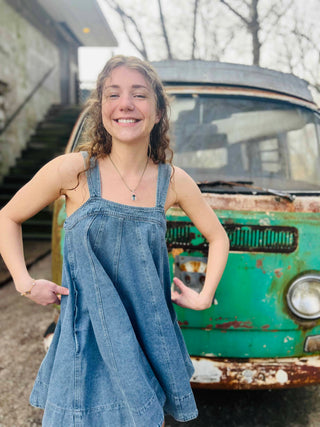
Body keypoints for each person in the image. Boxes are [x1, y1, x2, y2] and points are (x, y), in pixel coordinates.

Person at [0, 55, 229, 426]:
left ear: (157, 113)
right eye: (113, 94)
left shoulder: (172, 181)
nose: (125, 104)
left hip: (146, 343)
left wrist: (202, 296)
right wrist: (25, 284)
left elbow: (217, 238)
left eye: (139, 94)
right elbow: (7, 217)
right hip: (85, 343)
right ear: (102, 108)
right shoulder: (73, 170)